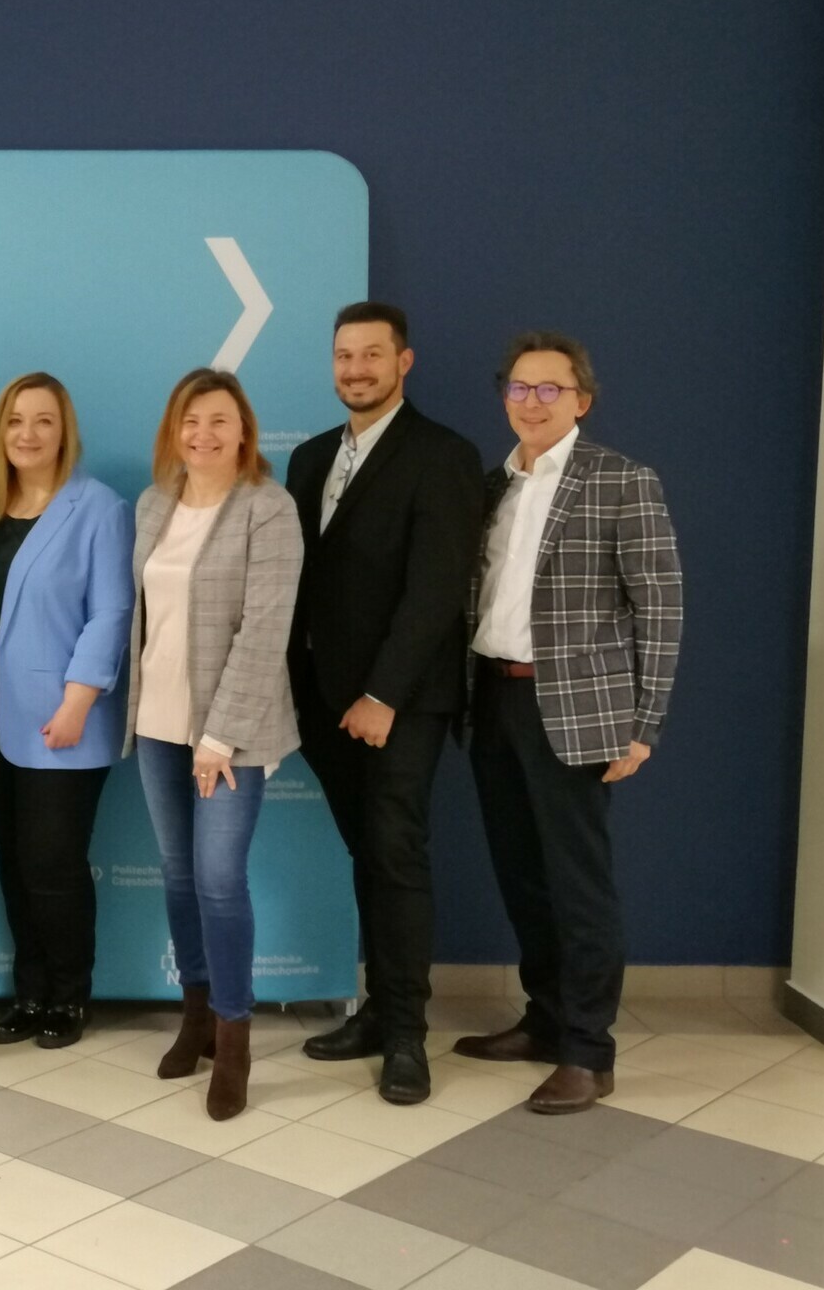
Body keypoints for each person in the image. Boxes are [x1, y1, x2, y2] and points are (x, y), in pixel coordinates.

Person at [456, 333, 682, 1114]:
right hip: (492, 700)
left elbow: (661, 609)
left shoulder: (622, 481)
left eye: (549, 389)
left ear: (581, 400)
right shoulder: (491, 486)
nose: (531, 401)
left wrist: (645, 723)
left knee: (578, 885)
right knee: (522, 877)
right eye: (519, 387)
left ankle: (589, 1051)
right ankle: (546, 1020)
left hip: (577, 712)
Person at [286, 302, 483, 1106]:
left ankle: (406, 1035)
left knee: (396, 855)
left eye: (372, 354)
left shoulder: (444, 455)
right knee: (367, 853)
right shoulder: (309, 458)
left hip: (399, 703)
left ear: (405, 362)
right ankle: (375, 1012)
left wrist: (381, 695)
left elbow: (435, 591)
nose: (356, 369)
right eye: (344, 355)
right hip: (323, 703)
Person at [129, 368, 303, 1121]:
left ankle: (234, 1039)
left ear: (243, 431)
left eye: (219, 421)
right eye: (190, 421)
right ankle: (195, 1015)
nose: (203, 434)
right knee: (178, 876)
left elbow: (265, 631)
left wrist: (220, 736)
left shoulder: (269, 507)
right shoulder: (155, 502)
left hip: (231, 734)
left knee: (219, 880)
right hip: (156, 724)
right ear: (175, 430)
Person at [0, 373, 133, 1050]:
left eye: (43, 421)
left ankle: (68, 996)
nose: (28, 434)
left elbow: (111, 611)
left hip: (63, 719)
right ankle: (29, 993)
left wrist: (78, 699)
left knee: (53, 862)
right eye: (15, 421)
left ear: (65, 432)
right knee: (12, 858)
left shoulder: (99, 508)